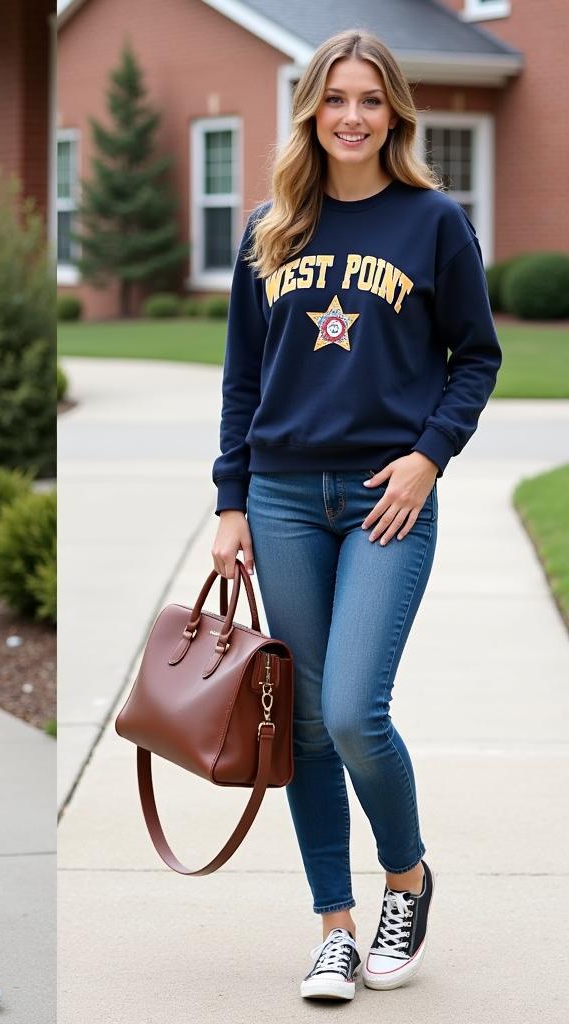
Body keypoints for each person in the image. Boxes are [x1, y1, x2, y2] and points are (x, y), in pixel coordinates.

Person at [210, 29, 501, 1003]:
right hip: (284, 499)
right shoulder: (270, 227)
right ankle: (332, 924)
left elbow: (477, 357)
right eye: (333, 98)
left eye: (368, 100)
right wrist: (229, 500)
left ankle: (406, 876)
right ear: (310, 111)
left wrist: (427, 457)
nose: (349, 116)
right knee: (302, 726)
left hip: (386, 501)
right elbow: (243, 378)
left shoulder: (432, 223)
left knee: (352, 710)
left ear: (394, 115)